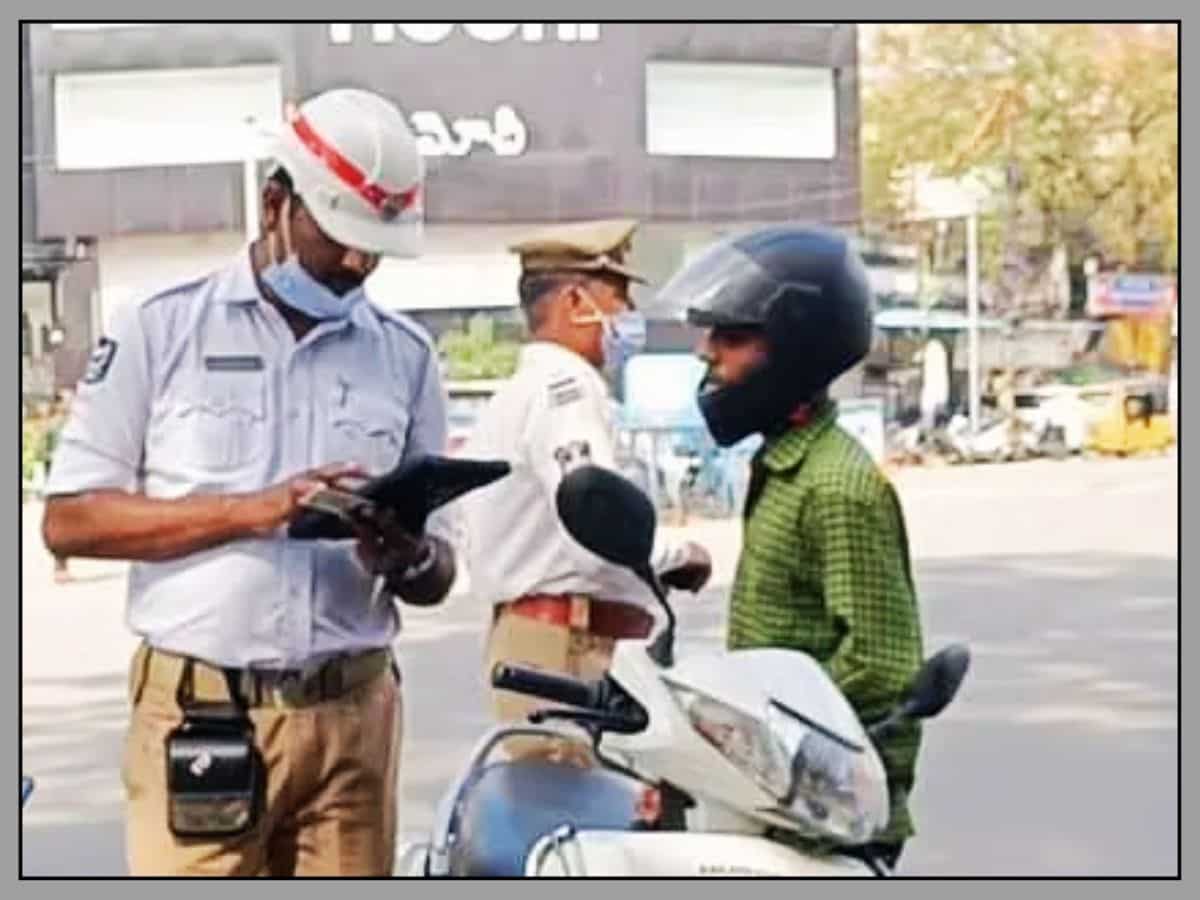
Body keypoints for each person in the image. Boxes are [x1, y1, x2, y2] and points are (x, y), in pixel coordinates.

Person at [41, 87, 457, 877]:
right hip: (202, 716)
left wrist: (405, 557)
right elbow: (71, 521)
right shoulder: (161, 326)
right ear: (275, 204)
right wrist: (257, 510)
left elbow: (441, 571)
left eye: (377, 246)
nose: (360, 262)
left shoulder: (404, 356)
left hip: (354, 723)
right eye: (341, 237)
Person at [659, 225, 924, 872]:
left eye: (733, 336)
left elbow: (882, 664)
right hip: (776, 796)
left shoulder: (837, 486)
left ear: (796, 350)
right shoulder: (784, 465)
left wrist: (752, 735)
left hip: (823, 815)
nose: (707, 354)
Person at [457, 220, 712, 761]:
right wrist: (677, 554)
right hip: (566, 648)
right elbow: (594, 517)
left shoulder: (527, 393)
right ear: (577, 301)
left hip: (552, 639)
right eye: (617, 299)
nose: (626, 318)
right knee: (575, 813)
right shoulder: (564, 391)